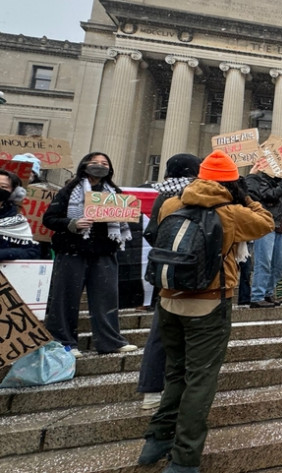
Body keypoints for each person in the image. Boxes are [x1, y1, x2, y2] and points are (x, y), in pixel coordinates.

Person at [137, 150, 273, 473]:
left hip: (169, 301)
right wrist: (246, 196)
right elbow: (266, 222)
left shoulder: (171, 204)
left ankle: (156, 439)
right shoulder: (232, 213)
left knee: (175, 373)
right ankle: (184, 459)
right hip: (210, 303)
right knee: (200, 381)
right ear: (231, 181)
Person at [42, 152, 138, 357]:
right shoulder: (69, 190)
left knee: (106, 299)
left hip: (103, 252)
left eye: (104, 163)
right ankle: (64, 342)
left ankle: (110, 341)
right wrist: (72, 224)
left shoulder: (115, 193)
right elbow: (49, 219)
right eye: (95, 162)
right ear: (84, 165)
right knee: (65, 298)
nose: (100, 166)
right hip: (72, 250)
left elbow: (124, 220)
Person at [138, 152, 201, 411]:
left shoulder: (162, 197)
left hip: (168, 273)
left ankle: (153, 388)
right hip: (194, 274)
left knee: (162, 332)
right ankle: (181, 386)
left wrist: (169, 253)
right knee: (192, 333)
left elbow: (151, 233)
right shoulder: (197, 197)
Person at [245, 155, 282, 308]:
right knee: (264, 262)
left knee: (279, 264)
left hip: (280, 226)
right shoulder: (262, 179)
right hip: (266, 225)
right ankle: (257, 296)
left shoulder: (280, 181)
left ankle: (268, 293)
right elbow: (269, 195)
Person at [0, 168, 41, 260]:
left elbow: (32, 251)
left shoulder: (18, 222)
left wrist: (4, 254)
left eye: (4, 187)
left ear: (14, 193)